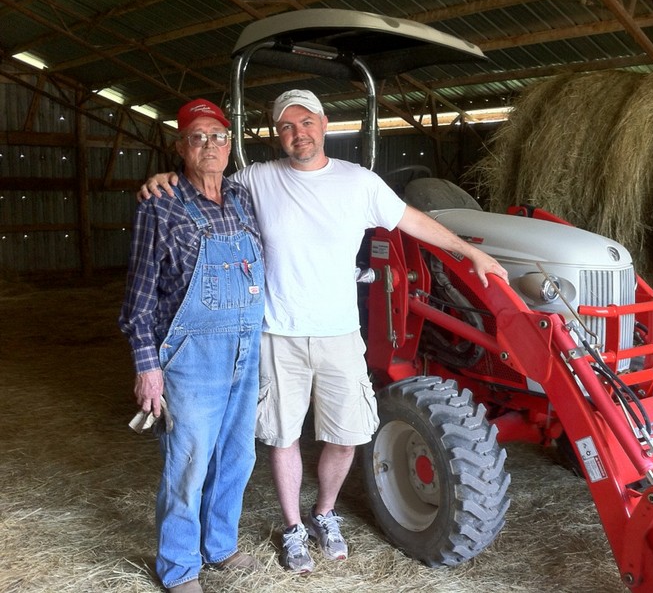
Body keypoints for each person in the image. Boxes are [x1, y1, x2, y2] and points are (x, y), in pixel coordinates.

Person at [138, 89, 508, 575]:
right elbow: (197, 188)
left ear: (325, 123)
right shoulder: (254, 181)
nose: (299, 134)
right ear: (277, 135)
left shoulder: (356, 183)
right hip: (274, 334)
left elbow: (413, 221)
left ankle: (319, 514)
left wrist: (470, 252)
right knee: (273, 438)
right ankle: (282, 530)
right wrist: (162, 178)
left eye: (307, 122)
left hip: (332, 334)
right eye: (287, 127)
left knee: (330, 437)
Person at [121, 99, 265, 593]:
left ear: (230, 143)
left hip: (247, 349)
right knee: (188, 462)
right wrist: (147, 368)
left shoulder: (242, 196)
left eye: (218, 136)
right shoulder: (159, 203)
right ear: (180, 146)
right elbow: (139, 297)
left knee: (237, 456)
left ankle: (220, 545)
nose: (209, 145)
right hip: (191, 356)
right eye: (197, 137)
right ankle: (179, 565)